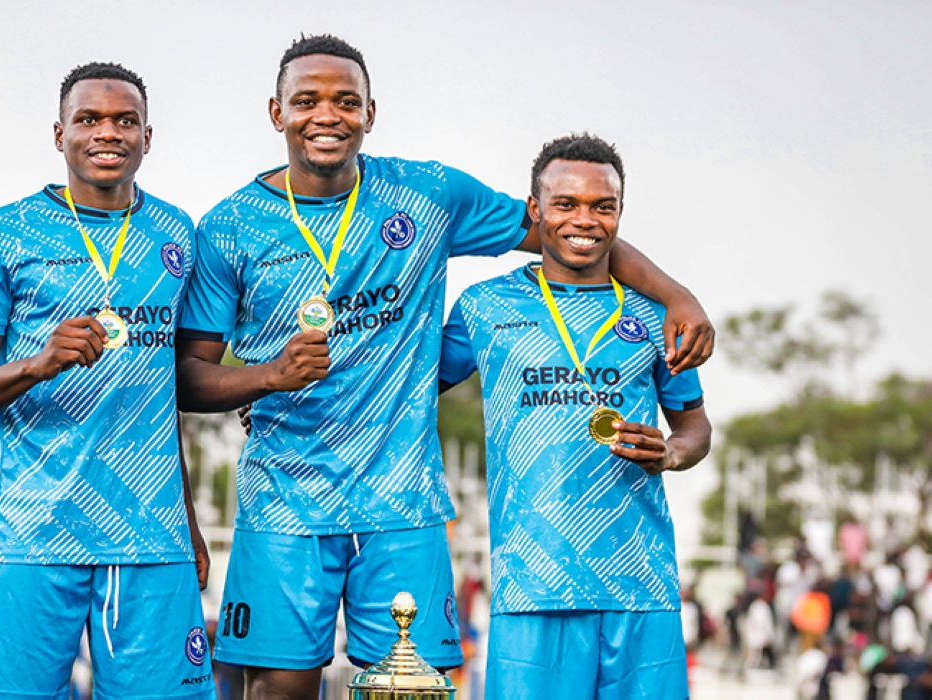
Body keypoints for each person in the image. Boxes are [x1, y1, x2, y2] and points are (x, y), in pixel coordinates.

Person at [174, 35, 714, 699]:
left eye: (346, 101)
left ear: (371, 112)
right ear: (275, 111)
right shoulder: (230, 226)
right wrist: (265, 377)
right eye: (307, 100)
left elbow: (566, 233)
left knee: (410, 689)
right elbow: (187, 377)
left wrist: (677, 296)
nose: (327, 115)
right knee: (278, 689)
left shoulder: (428, 194)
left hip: (403, 498)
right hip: (284, 498)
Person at [0, 62, 214, 700]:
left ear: (148, 137)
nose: (107, 133)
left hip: (151, 538)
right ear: (59, 134)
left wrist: (189, 519)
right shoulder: (4, 232)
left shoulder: (177, 232)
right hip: (35, 534)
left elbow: (163, 394)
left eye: (125, 120)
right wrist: (37, 363)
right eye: (88, 119)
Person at [436, 134, 712, 698]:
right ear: (535, 210)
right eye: (565, 204)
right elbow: (405, 383)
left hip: (641, 585)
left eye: (602, 206)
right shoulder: (484, 306)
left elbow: (695, 428)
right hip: (532, 584)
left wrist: (670, 452)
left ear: (620, 212)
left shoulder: (655, 315)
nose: (584, 220)